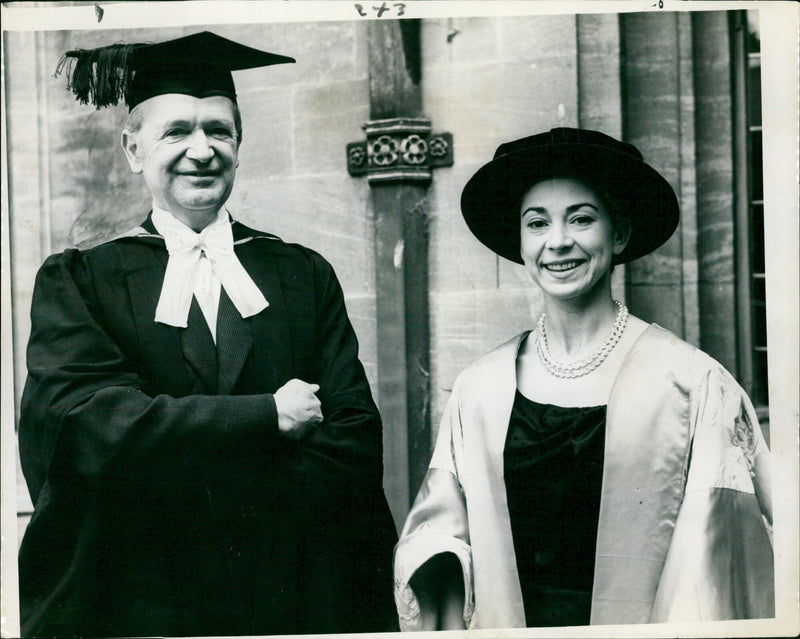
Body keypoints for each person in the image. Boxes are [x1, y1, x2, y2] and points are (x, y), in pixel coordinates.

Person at [18, 31, 398, 638]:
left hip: (280, 598)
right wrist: (266, 418)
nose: (202, 150)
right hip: (136, 599)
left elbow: (351, 441)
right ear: (133, 149)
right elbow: (89, 432)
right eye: (177, 131)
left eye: (219, 130)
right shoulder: (82, 280)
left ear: (240, 147)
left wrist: (170, 470)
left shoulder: (301, 275)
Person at [393, 127, 774, 629]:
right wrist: (435, 558)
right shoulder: (479, 389)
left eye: (581, 218)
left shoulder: (692, 383)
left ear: (618, 234)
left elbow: (714, 560)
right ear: (521, 241)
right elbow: (442, 525)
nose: (558, 242)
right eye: (537, 223)